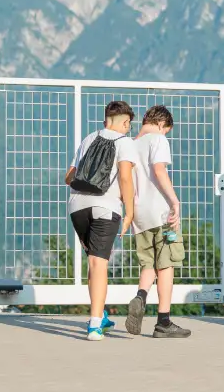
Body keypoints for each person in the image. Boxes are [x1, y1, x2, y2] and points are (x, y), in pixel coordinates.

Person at [64, 100, 137, 340]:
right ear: (125, 122)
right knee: (99, 263)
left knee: (93, 263)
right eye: (128, 125)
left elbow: (69, 177)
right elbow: (125, 178)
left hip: (77, 207)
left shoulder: (88, 138)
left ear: (106, 119)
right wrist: (130, 213)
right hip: (106, 207)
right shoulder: (125, 143)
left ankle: (100, 314)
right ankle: (95, 325)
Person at [125, 105, 190, 339]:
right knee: (166, 263)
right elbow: (159, 169)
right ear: (162, 124)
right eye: (167, 131)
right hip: (161, 214)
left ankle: (141, 296)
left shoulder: (129, 144)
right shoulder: (158, 140)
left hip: (138, 214)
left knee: (148, 263)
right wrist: (175, 202)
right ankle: (163, 321)